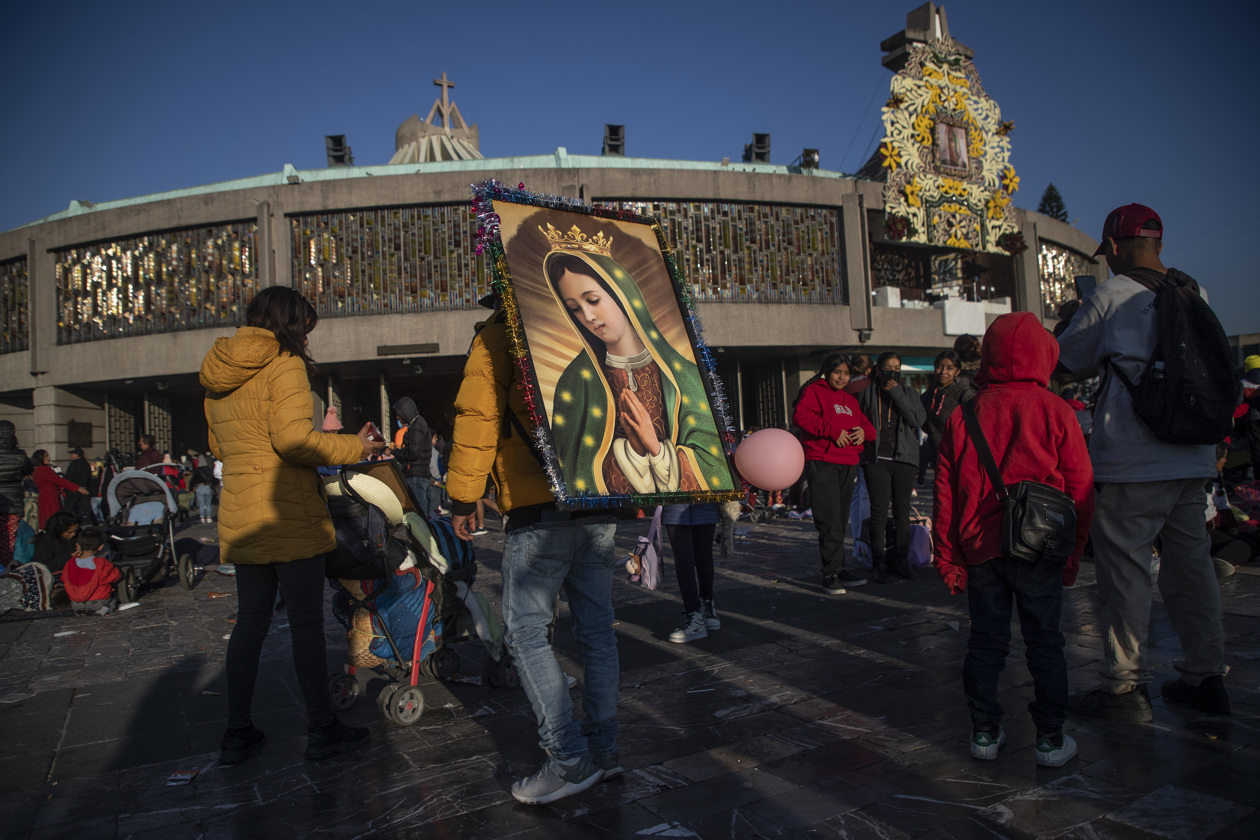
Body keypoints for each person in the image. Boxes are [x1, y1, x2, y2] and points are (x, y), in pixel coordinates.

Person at [1057, 203, 1230, 719]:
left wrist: (1071, 319)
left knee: (1127, 570)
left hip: (1135, 457)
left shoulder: (1109, 296)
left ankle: (1124, 684)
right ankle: (1205, 675)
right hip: (1193, 453)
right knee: (1191, 566)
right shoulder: (1193, 292)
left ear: (1112, 246)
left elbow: (1064, 362)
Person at [447, 293, 619, 805]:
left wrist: (463, 496)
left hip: (538, 506)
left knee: (524, 633)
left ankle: (567, 760)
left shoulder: (500, 336)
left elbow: (476, 421)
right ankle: (605, 752)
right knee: (596, 628)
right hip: (597, 500)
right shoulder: (587, 327)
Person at [201, 285, 385, 764]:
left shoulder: (219, 374)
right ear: (292, 323)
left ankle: (237, 731)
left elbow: (220, 449)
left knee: (250, 625)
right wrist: (355, 448)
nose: (307, 338)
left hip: (242, 514)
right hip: (286, 511)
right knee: (305, 623)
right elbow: (293, 442)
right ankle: (323, 729)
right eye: (305, 327)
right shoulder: (283, 364)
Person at [934, 312, 1095, 768]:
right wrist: (1072, 557)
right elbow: (1081, 490)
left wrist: (948, 559)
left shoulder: (964, 412)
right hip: (1041, 548)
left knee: (986, 642)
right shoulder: (1057, 410)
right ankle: (1049, 739)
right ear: (1043, 353)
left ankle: (984, 732)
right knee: (1045, 642)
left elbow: (945, 493)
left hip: (981, 547)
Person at [543, 245, 731, 495]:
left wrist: (655, 448)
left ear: (622, 295)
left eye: (593, 300)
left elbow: (714, 465)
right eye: (575, 308)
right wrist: (633, 450)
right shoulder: (575, 381)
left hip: (681, 513)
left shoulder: (683, 375)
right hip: (608, 522)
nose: (587, 315)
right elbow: (575, 473)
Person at [792, 353, 875, 594]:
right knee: (829, 521)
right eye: (837, 372)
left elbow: (867, 425)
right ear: (827, 371)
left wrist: (864, 433)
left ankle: (839, 568)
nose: (842, 377)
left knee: (840, 520)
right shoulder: (814, 392)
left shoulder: (850, 399)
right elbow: (801, 416)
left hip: (848, 463)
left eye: (846, 373)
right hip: (823, 462)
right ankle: (830, 574)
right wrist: (831, 431)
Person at [856, 352, 926, 583]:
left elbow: (917, 419)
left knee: (902, 512)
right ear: (878, 369)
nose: (892, 371)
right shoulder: (867, 392)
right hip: (877, 459)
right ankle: (879, 562)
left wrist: (896, 392)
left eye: (897, 367)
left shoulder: (908, 392)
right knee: (878, 512)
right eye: (888, 367)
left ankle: (901, 560)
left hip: (905, 459)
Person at [663, 503, 722, 642]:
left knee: (704, 558)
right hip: (675, 500)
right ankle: (694, 614)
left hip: (704, 498)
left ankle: (707, 606)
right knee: (684, 562)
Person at [920, 350, 977, 486]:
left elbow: (976, 419)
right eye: (939, 367)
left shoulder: (964, 392)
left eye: (950, 368)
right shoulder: (933, 389)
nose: (943, 372)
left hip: (958, 454)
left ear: (958, 371)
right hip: (937, 451)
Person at [63, 527, 121, 615]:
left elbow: (64, 578)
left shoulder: (69, 563)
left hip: (76, 604)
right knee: (113, 601)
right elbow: (115, 576)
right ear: (100, 547)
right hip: (98, 602)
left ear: (78, 545)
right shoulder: (102, 563)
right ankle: (104, 610)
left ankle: (81, 612)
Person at [0, 421, 33, 570]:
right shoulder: (19, 456)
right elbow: (28, 469)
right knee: (9, 542)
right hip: (12, 504)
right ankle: (7, 573)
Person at [392, 397, 434, 516]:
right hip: (420, 472)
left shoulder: (416, 425)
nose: (397, 417)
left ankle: (423, 533)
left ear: (405, 412)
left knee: (419, 512)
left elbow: (414, 452)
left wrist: (398, 453)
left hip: (416, 473)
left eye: (398, 414)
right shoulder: (419, 424)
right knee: (420, 509)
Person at [31, 450, 87, 530]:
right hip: (50, 498)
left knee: (48, 519)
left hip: (46, 497)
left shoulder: (38, 470)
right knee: (53, 519)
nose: (49, 458)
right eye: (46, 456)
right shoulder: (44, 470)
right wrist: (77, 488)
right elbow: (59, 480)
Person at [62, 448, 93, 523]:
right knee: (87, 509)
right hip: (84, 489)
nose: (70, 455)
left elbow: (68, 477)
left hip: (73, 490)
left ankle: (69, 523)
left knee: (68, 509)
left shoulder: (74, 464)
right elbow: (89, 478)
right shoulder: (86, 464)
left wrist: (66, 489)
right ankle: (94, 523)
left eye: (72, 454)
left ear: (77, 455)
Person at [190, 457, 217, 524]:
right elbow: (213, 479)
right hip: (208, 487)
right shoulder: (209, 470)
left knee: (201, 505)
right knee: (208, 504)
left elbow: (192, 480)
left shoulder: (197, 470)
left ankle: (202, 518)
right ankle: (209, 518)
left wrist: (191, 489)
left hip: (200, 487)